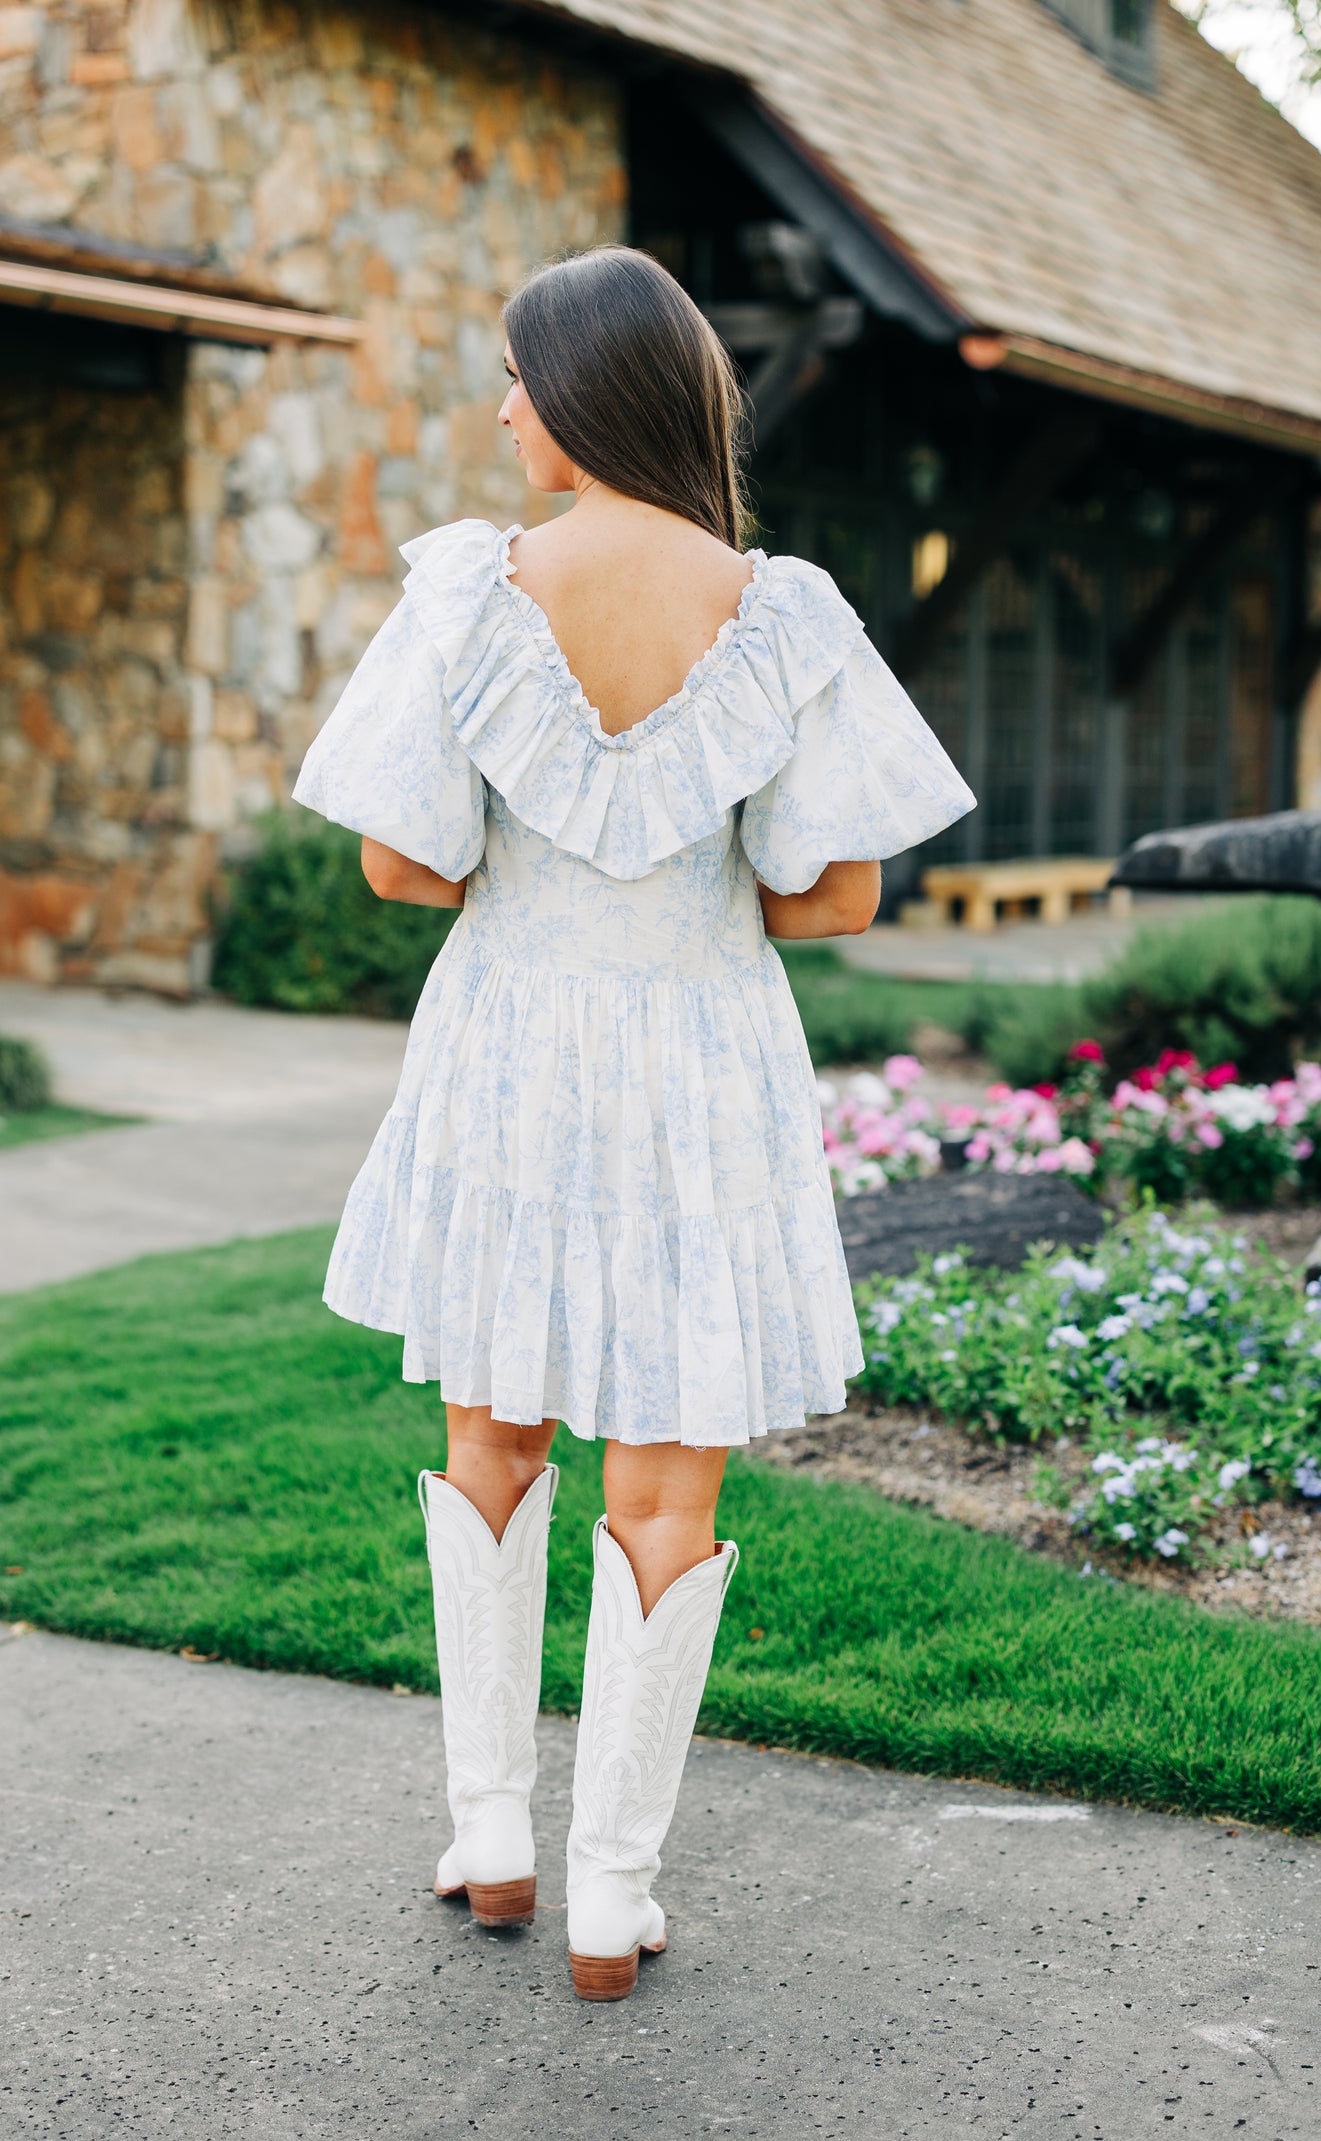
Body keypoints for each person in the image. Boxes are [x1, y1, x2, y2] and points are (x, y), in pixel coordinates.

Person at [293, 245, 974, 2002]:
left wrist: (537, 867)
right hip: (701, 1067)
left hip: (509, 1050)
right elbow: (830, 899)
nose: (502, 405)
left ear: (585, 391)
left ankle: (491, 1840)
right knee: (667, 1482)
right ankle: (611, 1893)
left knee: (489, 1441)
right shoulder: (783, 608)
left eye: (518, 374)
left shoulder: (465, 590)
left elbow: (396, 862)